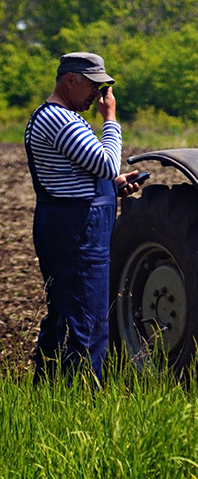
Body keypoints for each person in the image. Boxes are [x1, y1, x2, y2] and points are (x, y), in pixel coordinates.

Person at [24, 52, 144, 385]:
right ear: (70, 80)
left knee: (67, 313)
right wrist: (111, 119)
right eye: (93, 85)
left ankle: (48, 391)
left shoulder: (64, 118)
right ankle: (83, 396)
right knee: (87, 320)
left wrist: (113, 186)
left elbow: (85, 175)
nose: (98, 93)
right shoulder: (58, 119)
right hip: (76, 230)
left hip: (72, 224)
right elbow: (105, 163)